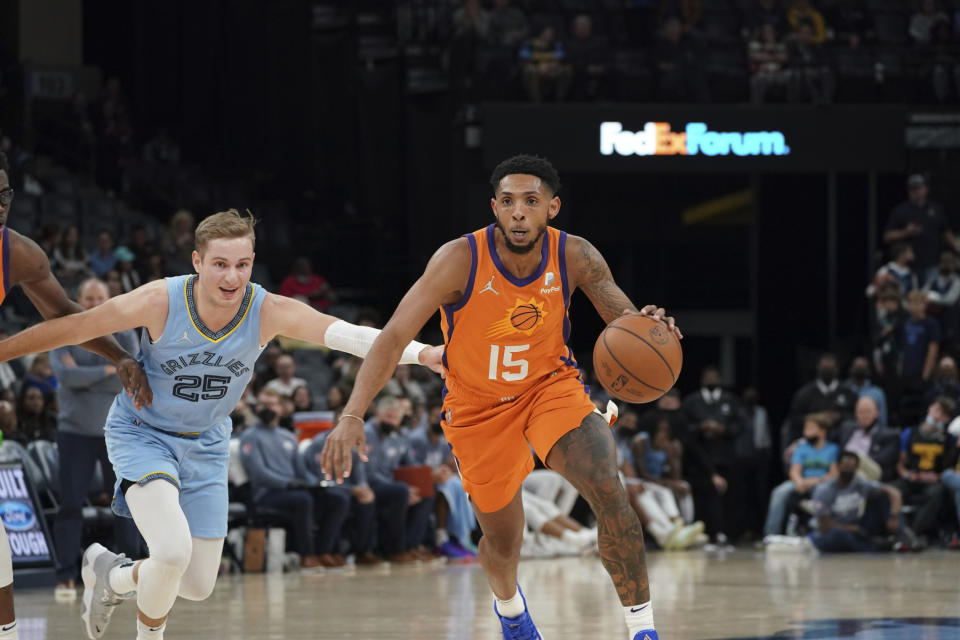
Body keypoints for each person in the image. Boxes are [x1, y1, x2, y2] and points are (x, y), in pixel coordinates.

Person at [0, 210, 442, 640]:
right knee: (171, 552)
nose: (232, 277)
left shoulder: (265, 309)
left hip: (208, 443)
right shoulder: (161, 300)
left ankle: (110, 574)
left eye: (242, 265)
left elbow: (348, 334)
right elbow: (75, 327)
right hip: (144, 434)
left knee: (195, 585)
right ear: (197, 262)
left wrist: (423, 353)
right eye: (220, 265)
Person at [321, 155, 680, 640]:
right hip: (476, 409)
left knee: (607, 485)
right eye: (508, 202)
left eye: (530, 202)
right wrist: (352, 413)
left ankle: (643, 630)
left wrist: (650, 331)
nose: (517, 212)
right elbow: (392, 337)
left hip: (549, 389)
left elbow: (624, 321)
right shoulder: (458, 259)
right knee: (504, 543)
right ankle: (511, 612)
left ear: (552, 208)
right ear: (494, 206)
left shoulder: (575, 255)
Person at [0, 150, 150, 640]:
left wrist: (119, 357)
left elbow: (64, 316)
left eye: (4, 195)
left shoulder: (17, 253)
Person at [51, 278, 143, 598]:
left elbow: (130, 376)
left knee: (126, 504)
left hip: (116, 432)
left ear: (109, 300)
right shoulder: (64, 330)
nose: (92, 303)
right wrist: (109, 369)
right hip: (73, 432)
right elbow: (65, 377)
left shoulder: (125, 331)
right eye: (87, 298)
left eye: (99, 297)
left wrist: (86, 377)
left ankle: (127, 574)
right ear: (78, 299)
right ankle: (65, 575)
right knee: (70, 506)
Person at [239, 389, 349, 569]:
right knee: (303, 500)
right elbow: (259, 473)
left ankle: (325, 551)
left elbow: (301, 470)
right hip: (267, 493)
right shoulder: (250, 436)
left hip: (293, 489)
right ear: (256, 408)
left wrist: (315, 483)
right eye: (263, 405)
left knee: (337, 499)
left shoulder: (288, 436)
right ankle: (307, 554)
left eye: (272, 404)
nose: (267, 408)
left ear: (281, 409)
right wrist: (287, 484)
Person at [361, 396, 437, 562]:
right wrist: (404, 488)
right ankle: (395, 549)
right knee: (401, 491)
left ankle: (412, 545)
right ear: (378, 414)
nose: (391, 422)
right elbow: (370, 472)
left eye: (395, 419)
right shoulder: (366, 433)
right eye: (388, 417)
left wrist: (423, 479)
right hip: (370, 483)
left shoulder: (400, 436)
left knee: (427, 492)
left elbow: (410, 465)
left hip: (394, 484)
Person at [681, 366, 744, 545]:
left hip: (726, 456)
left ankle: (727, 533)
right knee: (702, 497)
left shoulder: (730, 400)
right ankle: (705, 533)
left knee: (729, 497)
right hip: (698, 458)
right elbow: (683, 427)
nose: (711, 380)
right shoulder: (691, 401)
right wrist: (701, 427)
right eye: (707, 377)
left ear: (720, 380)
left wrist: (723, 429)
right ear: (701, 380)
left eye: (714, 377)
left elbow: (740, 426)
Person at [408, 402, 477, 559]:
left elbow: (446, 463)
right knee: (448, 486)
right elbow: (411, 466)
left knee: (459, 484)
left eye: (442, 416)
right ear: (426, 418)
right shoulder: (417, 439)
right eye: (434, 417)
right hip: (420, 481)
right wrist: (433, 473)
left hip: (436, 479)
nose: (438, 420)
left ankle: (461, 537)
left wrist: (445, 469)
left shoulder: (443, 438)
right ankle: (441, 538)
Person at [809, 451, 905, 552]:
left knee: (883, 498)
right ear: (838, 466)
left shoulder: (859, 483)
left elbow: (893, 492)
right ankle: (873, 547)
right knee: (839, 536)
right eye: (845, 466)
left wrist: (894, 516)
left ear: (856, 468)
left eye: (851, 467)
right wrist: (851, 528)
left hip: (854, 526)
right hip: (829, 531)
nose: (848, 470)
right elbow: (824, 526)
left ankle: (901, 537)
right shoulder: (824, 490)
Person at [764, 413, 838, 539]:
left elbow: (833, 473)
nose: (805, 432)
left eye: (810, 429)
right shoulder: (802, 448)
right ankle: (771, 533)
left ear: (822, 431)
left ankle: (817, 532)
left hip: (822, 482)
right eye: (805, 429)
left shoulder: (833, 448)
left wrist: (814, 481)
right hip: (801, 481)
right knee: (779, 492)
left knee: (822, 491)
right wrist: (799, 482)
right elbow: (794, 470)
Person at [894, 397, 956, 539]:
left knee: (938, 493)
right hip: (912, 478)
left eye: (944, 414)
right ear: (930, 408)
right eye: (937, 410)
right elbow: (900, 464)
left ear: (947, 419)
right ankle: (896, 530)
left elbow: (951, 466)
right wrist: (908, 475)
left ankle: (913, 533)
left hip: (934, 480)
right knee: (891, 490)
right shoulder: (909, 433)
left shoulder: (949, 439)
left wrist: (938, 476)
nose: (938, 416)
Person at [883, 174, 955, 283]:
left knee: (929, 296)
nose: (916, 191)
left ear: (926, 189)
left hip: (932, 263)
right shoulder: (901, 211)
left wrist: (957, 246)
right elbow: (887, 236)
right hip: (907, 265)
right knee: (909, 297)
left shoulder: (936, 209)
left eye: (919, 188)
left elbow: (946, 232)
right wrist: (906, 232)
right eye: (913, 188)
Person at [837, 396, 901, 482]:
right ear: (855, 414)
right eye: (861, 412)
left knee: (859, 474)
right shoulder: (846, 428)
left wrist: (855, 461)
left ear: (877, 413)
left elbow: (883, 461)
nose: (864, 415)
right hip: (844, 469)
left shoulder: (890, 435)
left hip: (870, 472)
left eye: (868, 411)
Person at [843, 356, 888, 427]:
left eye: (862, 368)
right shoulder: (843, 390)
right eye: (857, 367)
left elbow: (882, 421)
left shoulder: (877, 393)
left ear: (868, 371)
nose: (859, 370)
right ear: (851, 369)